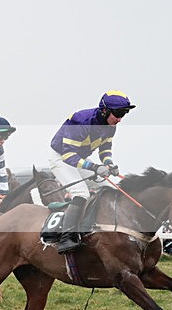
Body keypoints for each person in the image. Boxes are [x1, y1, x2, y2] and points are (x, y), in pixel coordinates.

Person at [49, 90, 135, 253]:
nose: (120, 119)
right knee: (81, 193)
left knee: (113, 186)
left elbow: (105, 150)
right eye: (118, 113)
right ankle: (66, 238)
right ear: (105, 110)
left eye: (124, 113)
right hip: (61, 158)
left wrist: (109, 164)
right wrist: (95, 167)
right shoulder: (81, 121)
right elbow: (68, 155)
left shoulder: (110, 126)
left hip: (80, 159)